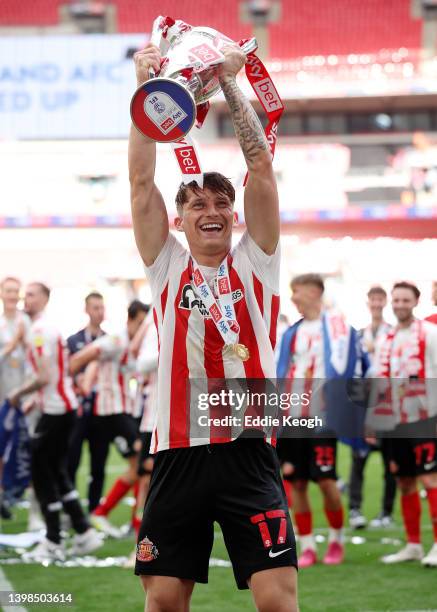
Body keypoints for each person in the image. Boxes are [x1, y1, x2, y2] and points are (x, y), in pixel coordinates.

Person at [130, 43, 297, 611]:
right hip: (178, 450)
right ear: (180, 220)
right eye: (197, 202)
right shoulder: (167, 264)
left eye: (220, 202)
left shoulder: (258, 261)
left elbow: (262, 170)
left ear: (234, 213)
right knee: (165, 603)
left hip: (249, 449)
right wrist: (149, 94)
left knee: (277, 599)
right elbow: (139, 184)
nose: (210, 210)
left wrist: (231, 81)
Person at [276, 273, 368, 567]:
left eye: (297, 291)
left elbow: (355, 370)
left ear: (315, 292)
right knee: (297, 483)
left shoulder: (339, 330)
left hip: (322, 418)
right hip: (293, 417)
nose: (293, 298)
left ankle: (336, 540)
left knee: (327, 481)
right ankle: (306, 547)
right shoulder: (291, 333)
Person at [7, 282, 103, 561]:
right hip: (60, 406)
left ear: (46, 299)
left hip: (57, 409)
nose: (27, 299)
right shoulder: (46, 329)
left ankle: (52, 539)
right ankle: (84, 532)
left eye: (32, 294)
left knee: (41, 472)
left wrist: (18, 393)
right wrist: (33, 399)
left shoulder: (39, 331)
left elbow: (45, 377)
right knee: (56, 472)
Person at [369, 282, 437, 567]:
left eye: (405, 299)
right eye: (396, 299)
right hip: (395, 420)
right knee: (405, 481)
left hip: (425, 418)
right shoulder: (387, 338)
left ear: (416, 302)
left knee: (430, 480)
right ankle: (412, 545)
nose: (399, 304)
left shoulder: (430, 334)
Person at [69, 300, 148, 538]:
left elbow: (95, 362)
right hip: (114, 411)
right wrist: (75, 381)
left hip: (126, 410)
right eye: (141, 323)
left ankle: (109, 514)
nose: (144, 329)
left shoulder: (138, 344)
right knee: (143, 465)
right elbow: (85, 356)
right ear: (130, 320)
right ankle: (132, 524)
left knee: (138, 467)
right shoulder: (117, 340)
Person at [348, 286, 396, 529]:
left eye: (380, 299)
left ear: (385, 302)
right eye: (373, 299)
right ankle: (355, 509)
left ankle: (385, 513)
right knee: (358, 459)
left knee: (391, 462)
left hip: (388, 405)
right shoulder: (358, 334)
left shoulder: (392, 333)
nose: (376, 303)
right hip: (365, 404)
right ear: (368, 302)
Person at [0, 277, 41, 528]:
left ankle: (35, 511)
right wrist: (12, 345)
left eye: (17, 291)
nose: (13, 295)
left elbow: (34, 356)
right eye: (9, 291)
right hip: (3, 397)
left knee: (31, 450)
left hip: (24, 398)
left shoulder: (26, 322)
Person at [67, 292, 106, 512]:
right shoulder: (74, 341)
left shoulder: (110, 339)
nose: (99, 312)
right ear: (86, 309)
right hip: (78, 411)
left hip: (101, 412)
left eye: (102, 307)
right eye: (95, 307)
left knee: (98, 464)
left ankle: (94, 510)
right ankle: (70, 509)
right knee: (71, 460)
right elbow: (66, 371)